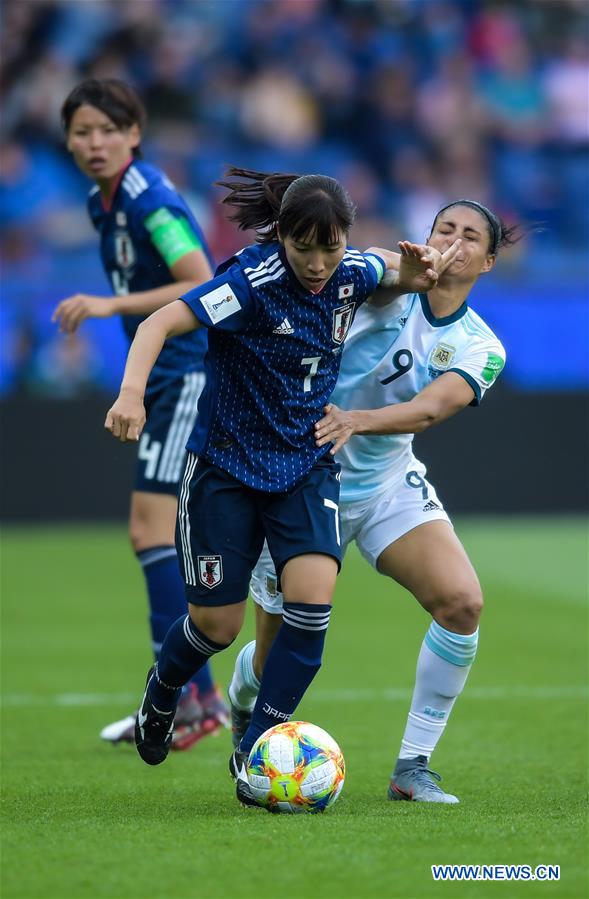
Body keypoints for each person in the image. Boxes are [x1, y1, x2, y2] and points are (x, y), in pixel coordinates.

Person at [104, 165, 459, 805]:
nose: (319, 262)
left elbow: (395, 274)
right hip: (226, 468)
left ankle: (255, 753)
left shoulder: (353, 269)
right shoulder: (248, 282)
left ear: (346, 239)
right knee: (216, 625)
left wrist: (418, 268)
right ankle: (164, 690)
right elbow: (160, 322)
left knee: (313, 601)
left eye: (331, 246)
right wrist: (131, 393)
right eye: (304, 247)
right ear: (282, 238)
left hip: (305, 462)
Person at [228, 199, 520, 803]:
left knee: (462, 603)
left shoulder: (480, 345)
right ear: (426, 237)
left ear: (487, 262)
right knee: (278, 652)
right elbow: (341, 266)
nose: (454, 243)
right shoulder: (374, 286)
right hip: (301, 477)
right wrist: (388, 268)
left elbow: (435, 407)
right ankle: (245, 699)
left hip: (385, 481)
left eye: (470, 238)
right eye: (445, 229)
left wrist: (358, 420)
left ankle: (413, 766)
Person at [52, 78, 229, 750]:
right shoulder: (103, 202)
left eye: (107, 129)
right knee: (153, 532)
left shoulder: (147, 197)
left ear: (134, 134)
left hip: (186, 372)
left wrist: (107, 306)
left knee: (148, 529)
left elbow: (200, 277)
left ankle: (188, 697)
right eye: (82, 131)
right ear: (67, 140)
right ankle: (194, 696)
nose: (94, 142)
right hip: (163, 376)